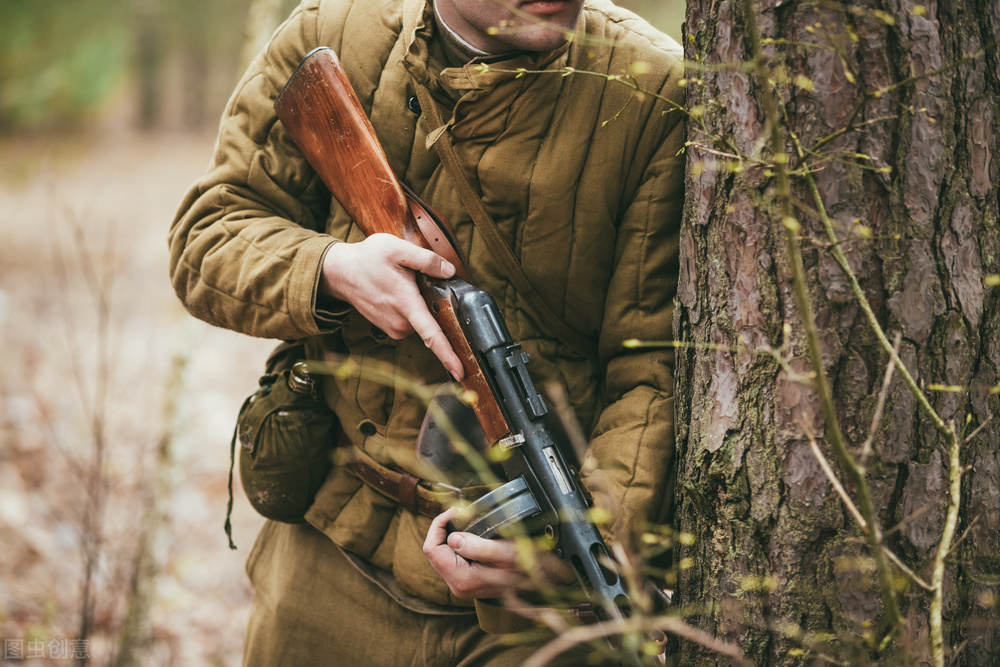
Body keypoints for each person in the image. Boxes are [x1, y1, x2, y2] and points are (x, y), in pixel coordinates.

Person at [169, 0, 683, 663]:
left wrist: (585, 547)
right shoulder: (331, 35)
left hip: (530, 606)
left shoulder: (654, 93)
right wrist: (333, 270)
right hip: (331, 556)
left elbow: (654, 367)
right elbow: (206, 240)